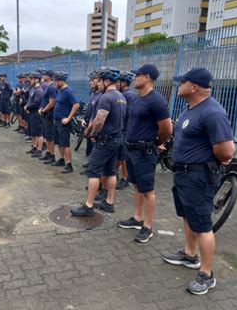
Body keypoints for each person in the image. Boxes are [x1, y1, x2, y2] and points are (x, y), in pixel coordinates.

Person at [162, 67, 234, 295]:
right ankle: (189, 255)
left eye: (181, 82)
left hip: (200, 176)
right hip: (183, 174)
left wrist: (205, 165)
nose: (178, 85)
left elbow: (226, 150)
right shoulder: (190, 108)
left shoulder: (212, 112)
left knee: (203, 225)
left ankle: (207, 274)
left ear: (193, 86)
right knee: (187, 215)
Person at [117, 64, 172, 243]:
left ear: (147, 77)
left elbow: (166, 129)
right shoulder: (137, 98)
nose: (133, 78)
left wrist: (156, 143)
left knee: (148, 190)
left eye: (137, 75)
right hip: (132, 149)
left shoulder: (156, 100)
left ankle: (147, 226)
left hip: (145, 152)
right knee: (137, 186)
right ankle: (137, 218)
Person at [71, 67, 126, 217]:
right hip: (117, 138)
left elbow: (99, 120)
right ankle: (109, 202)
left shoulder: (105, 97)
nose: (98, 83)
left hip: (105, 140)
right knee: (110, 171)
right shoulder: (121, 96)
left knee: (93, 172)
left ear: (107, 81)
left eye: (100, 80)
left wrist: (92, 134)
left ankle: (88, 206)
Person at [51, 71, 80, 174]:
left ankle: (69, 164)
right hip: (58, 121)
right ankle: (62, 159)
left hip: (64, 122)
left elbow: (76, 105)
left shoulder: (69, 91)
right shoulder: (60, 91)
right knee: (59, 142)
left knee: (65, 143)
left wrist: (68, 118)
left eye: (56, 81)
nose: (55, 83)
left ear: (60, 81)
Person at [115, 71, 136, 190]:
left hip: (126, 129)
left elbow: (126, 113)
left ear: (124, 83)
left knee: (123, 156)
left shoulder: (128, 95)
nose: (116, 84)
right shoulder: (123, 93)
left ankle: (125, 178)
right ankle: (117, 174)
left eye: (118, 82)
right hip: (122, 128)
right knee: (119, 155)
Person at [80, 70, 103, 174]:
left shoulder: (101, 96)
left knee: (95, 149)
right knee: (89, 148)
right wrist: (85, 119)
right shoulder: (93, 93)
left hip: (94, 126)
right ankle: (90, 164)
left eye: (93, 80)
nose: (91, 82)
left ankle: (92, 167)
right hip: (89, 122)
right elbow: (89, 109)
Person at [38, 70, 57, 164]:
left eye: (44, 75)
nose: (43, 76)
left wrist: (43, 110)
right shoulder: (49, 86)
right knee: (47, 135)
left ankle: (52, 155)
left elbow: (52, 102)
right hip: (46, 114)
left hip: (49, 114)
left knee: (50, 136)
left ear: (49, 77)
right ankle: (49, 153)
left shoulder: (52, 87)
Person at [24, 72, 45, 157]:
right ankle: (34, 147)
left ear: (37, 80)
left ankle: (39, 150)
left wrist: (27, 107)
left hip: (36, 114)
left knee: (38, 133)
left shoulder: (39, 91)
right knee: (33, 132)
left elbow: (36, 103)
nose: (30, 80)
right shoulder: (33, 89)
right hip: (31, 113)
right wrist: (27, 106)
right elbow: (30, 100)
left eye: (32, 79)